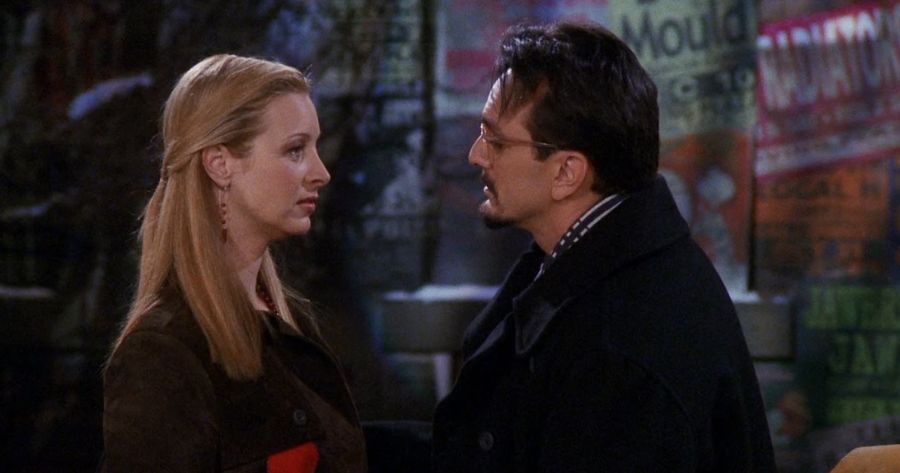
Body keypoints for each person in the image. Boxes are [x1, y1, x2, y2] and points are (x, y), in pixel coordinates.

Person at [432, 22, 776, 472]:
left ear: (566, 173)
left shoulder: (619, 356)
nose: (476, 155)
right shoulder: (589, 259)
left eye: (496, 141)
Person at [101, 54, 366, 472]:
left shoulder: (291, 321)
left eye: (314, 147)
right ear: (220, 164)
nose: (321, 172)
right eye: (295, 150)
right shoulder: (163, 352)